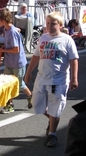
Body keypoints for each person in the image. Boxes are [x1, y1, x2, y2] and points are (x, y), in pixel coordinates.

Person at [24, 11, 79, 148]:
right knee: (37, 105)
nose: (49, 26)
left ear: (60, 25)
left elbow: (74, 59)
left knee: (55, 106)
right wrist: (28, 72)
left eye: (53, 23)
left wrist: (74, 79)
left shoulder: (67, 40)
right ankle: (53, 119)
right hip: (42, 79)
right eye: (47, 23)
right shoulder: (43, 38)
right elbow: (36, 56)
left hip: (58, 81)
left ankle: (52, 135)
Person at [0, 8, 32, 114]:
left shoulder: (12, 31)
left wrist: (1, 49)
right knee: (8, 83)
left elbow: (16, 49)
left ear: (3, 19)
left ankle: (10, 105)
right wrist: (1, 47)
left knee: (17, 85)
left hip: (17, 62)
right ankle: (28, 97)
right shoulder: (6, 30)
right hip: (10, 62)